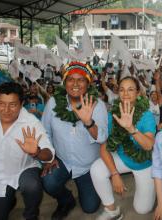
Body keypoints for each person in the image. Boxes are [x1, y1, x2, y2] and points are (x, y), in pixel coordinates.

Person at [41, 62, 108, 218]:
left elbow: (103, 137)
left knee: (90, 207)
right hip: (63, 161)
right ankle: (66, 200)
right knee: (48, 181)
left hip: (88, 166)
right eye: (71, 79)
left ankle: (98, 182)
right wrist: (49, 157)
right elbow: (45, 131)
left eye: (81, 80)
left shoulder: (98, 106)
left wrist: (88, 122)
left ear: (88, 83)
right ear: (65, 83)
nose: (76, 84)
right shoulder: (53, 103)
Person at [90, 76, 156, 219]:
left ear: (138, 93)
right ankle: (112, 210)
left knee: (142, 210)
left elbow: (149, 145)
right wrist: (114, 174)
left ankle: (156, 184)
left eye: (130, 89)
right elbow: (104, 147)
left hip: (144, 164)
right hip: (122, 158)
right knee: (96, 169)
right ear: (118, 92)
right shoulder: (112, 114)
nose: (125, 94)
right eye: (122, 89)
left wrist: (131, 128)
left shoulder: (146, 115)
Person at [0, 82, 54, 220]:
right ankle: (9, 199)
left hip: (22, 170)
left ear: (22, 104)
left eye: (12, 104)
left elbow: (49, 154)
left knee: (32, 186)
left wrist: (37, 152)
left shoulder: (31, 122)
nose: (6, 110)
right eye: (1, 104)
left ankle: (31, 214)